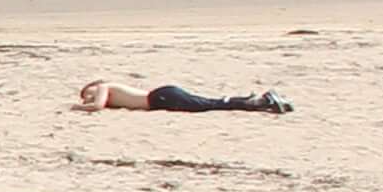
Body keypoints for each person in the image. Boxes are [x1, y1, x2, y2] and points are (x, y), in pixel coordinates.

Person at [75, 77, 290, 114]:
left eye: (87, 94)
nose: (87, 98)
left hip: (159, 98)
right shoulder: (113, 91)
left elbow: (97, 106)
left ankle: (258, 101)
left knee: (208, 105)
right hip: (160, 98)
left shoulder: (104, 87)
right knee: (207, 104)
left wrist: (79, 108)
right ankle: (252, 102)